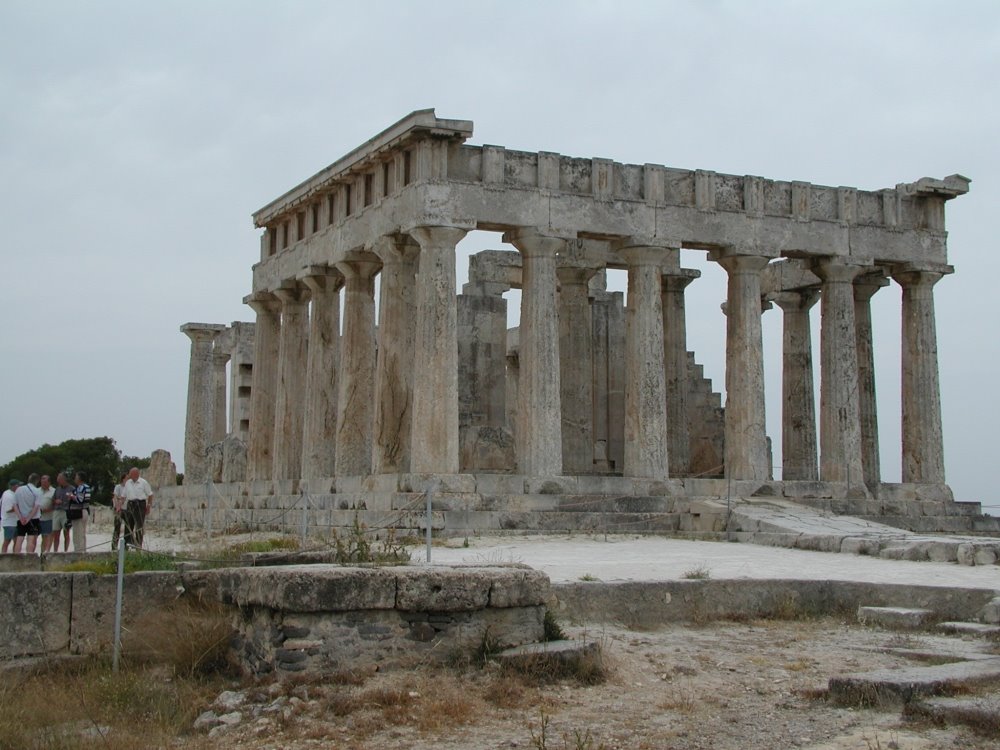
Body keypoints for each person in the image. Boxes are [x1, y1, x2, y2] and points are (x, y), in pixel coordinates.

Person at [121, 466, 153, 549]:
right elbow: (123, 496)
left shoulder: (143, 482)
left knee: (139, 526)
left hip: (140, 504)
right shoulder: (128, 483)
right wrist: (119, 505)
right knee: (128, 525)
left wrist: (148, 506)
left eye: (130, 474)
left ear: (135, 474)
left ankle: (138, 545)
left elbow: (150, 494)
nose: (129, 475)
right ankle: (127, 544)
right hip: (130, 504)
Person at [14, 474, 42, 554]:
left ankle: (16, 557)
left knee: (19, 538)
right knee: (30, 539)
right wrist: (28, 518)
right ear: (37, 481)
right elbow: (36, 507)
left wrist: (20, 517)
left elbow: (15, 505)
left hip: (21, 519)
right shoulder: (37, 491)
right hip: (33, 519)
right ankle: (29, 557)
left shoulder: (19, 489)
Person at [51, 472, 73, 552]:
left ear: (64, 479)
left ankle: (66, 551)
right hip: (57, 512)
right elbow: (53, 500)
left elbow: (75, 500)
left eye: (59, 479)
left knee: (66, 533)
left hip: (66, 512)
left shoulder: (71, 489)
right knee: (56, 533)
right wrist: (55, 501)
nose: (57, 480)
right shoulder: (57, 489)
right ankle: (55, 551)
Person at [34, 474, 57, 553]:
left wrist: (48, 509)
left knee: (46, 538)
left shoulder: (54, 491)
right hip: (36, 519)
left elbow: (56, 505)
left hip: (48, 518)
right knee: (33, 537)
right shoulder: (36, 491)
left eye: (45, 482)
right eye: (41, 481)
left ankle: (44, 555)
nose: (43, 483)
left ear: (49, 482)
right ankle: (32, 555)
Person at [69, 471, 91, 552]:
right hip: (84, 511)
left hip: (79, 512)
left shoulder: (81, 487)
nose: (75, 478)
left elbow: (80, 500)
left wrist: (72, 496)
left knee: (78, 533)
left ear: (80, 478)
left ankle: (79, 551)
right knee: (81, 533)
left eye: (76, 477)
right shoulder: (86, 487)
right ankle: (82, 550)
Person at [1, 479, 19, 554]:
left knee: (17, 540)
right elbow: (8, 509)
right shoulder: (8, 495)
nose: (19, 487)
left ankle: (15, 557)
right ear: (14, 486)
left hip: (14, 522)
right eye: (18, 485)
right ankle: (3, 557)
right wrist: (19, 507)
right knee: (7, 540)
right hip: (9, 523)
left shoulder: (8, 493)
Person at [111, 472, 127, 550]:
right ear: (123, 479)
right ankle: (114, 546)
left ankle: (126, 546)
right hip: (119, 509)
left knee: (128, 528)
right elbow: (115, 497)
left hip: (126, 509)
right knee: (117, 528)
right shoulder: (118, 487)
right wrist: (117, 507)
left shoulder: (128, 487)